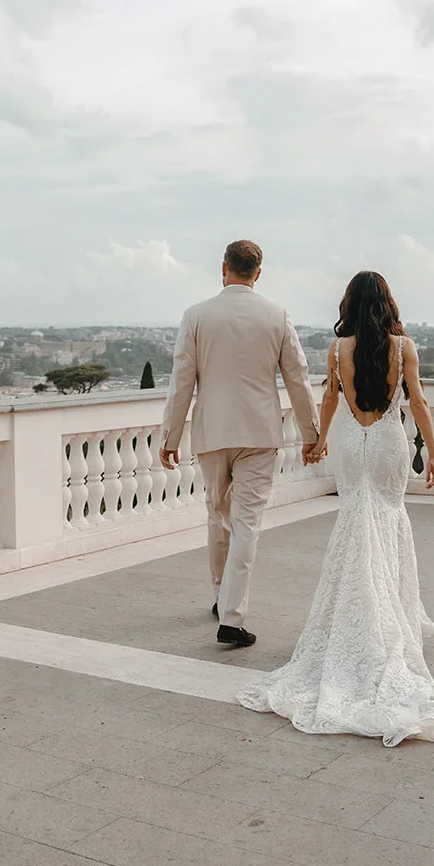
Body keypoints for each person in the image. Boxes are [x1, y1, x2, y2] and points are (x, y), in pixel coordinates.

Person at [237, 270, 434, 745]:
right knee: (388, 523)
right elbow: (418, 403)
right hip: (390, 444)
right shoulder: (403, 347)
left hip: (354, 444)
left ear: (350, 303)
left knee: (355, 523)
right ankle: (392, 617)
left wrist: (319, 441)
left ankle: (354, 619)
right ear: (387, 302)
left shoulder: (337, 349)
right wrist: (433, 451)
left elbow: (330, 397)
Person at [160, 239, 320, 648]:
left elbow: (182, 381)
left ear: (224, 268)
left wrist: (170, 437)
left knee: (218, 515)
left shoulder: (196, 315)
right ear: (258, 273)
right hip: (259, 433)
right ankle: (232, 614)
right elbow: (298, 379)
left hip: (212, 432)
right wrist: (311, 434)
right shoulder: (277, 316)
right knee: (247, 522)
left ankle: (220, 596)